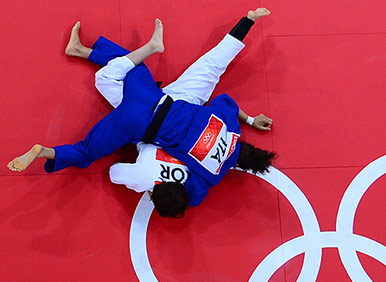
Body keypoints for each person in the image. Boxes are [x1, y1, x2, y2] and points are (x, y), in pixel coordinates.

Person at [8, 9, 275, 218]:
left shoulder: (231, 131)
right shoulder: (209, 178)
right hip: (139, 124)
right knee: (88, 150)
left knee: (136, 63)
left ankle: (245, 21)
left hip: (157, 98)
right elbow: (190, 196)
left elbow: (224, 101)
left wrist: (250, 120)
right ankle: (44, 151)